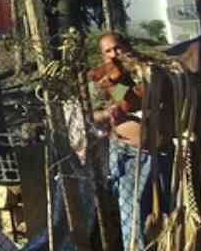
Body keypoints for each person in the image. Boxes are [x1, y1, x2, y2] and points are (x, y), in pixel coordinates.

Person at [87, 31, 154, 249]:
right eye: (108, 51)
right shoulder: (106, 79)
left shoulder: (146, 71)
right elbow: (92, 114)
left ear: (127, 46)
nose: (114, 54)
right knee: (132, 213)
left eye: (117, 47)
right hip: (129, 153)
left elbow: (135, 100)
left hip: (160, 151)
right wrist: (108, 114)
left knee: (164, 210)